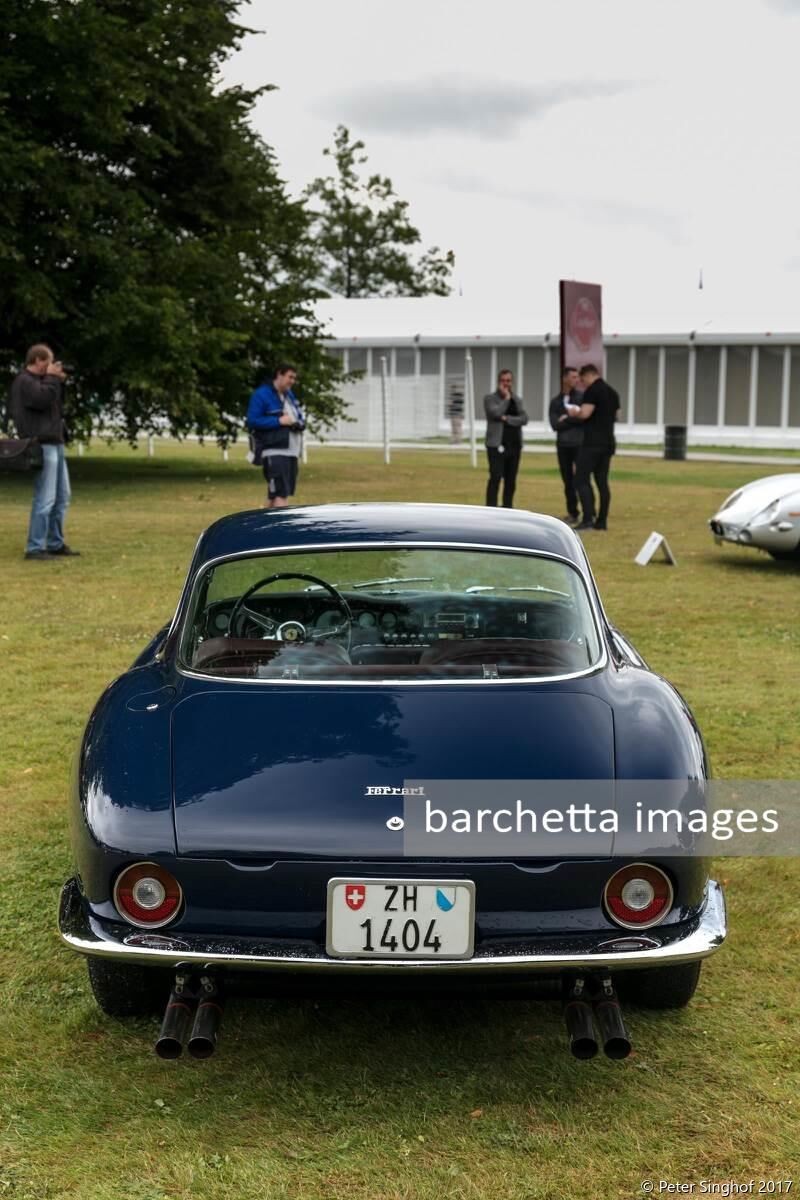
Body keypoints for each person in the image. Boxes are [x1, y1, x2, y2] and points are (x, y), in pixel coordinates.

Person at [9, 344, 80, 560]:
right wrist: (51, 379)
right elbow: (40, 401)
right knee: (45, 497)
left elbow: (55, 403)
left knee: (62, 496)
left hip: (55, 441)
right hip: (41, 443)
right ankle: (35, 547)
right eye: (49, 362)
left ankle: (55, 542)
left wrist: (59, 382)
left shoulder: (44, 382)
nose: (51, 366)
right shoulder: (24, 381)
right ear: (39, 360)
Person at [246, 363, 306, 509]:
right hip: (275, 451)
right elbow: (252, 421)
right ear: (279, 374)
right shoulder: (262, 394)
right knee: (280, 494)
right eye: (290, 377)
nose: (292, 381)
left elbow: (298, 416)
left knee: (275, 495)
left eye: (294, 378)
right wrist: (278, 421)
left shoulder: (289, 395)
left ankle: (258, 528)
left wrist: (299, 423)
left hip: (292, 451)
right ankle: (280, 529)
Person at [573, 363, 621, 531]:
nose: (582, 383)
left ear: (588, 375)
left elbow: (585, 413)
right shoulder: (612, 392)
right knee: (602, 482)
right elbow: (617, 416)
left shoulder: (593, 391)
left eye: (582, 379)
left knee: (580, 479)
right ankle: (602, 521)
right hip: (608, 443)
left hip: (592, 443)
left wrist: (574, 413)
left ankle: (587, 519)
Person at [484, 367, 528, 507]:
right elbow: (495, 414)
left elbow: (524, 419)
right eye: (503, 381)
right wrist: (506, 400)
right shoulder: (490, 398)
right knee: (496, 477)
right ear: (498, 382)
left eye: (508, 381)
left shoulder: (517, 400)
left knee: (511, 480)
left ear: (512, 382)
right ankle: (491, 508)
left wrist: (507, 419)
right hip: (496, 445)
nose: (506, 384)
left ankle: (508, 508)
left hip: (514, 445)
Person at [548, 365, 583, 524]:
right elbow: (555, 425)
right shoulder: (555, 402)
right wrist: (571, 419)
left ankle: (589, 512)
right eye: (573, 377)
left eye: (577, 377)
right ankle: (572, 512)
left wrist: (566, 419)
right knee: (567, 480)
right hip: (563, 445)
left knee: (581, 479)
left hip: (579, 444)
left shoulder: (582, 398)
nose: (576, 380)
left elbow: (583, 419)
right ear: (565, 378)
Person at [446, 377, 465, 443]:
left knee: (456, 428)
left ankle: (457, 440)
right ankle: (456, 440)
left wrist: (451, 403)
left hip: (456, 415)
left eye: (452, 388)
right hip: (455, 414)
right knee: (455, 428)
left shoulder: (456, 396)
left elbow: (451, 404)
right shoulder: (457, 396)